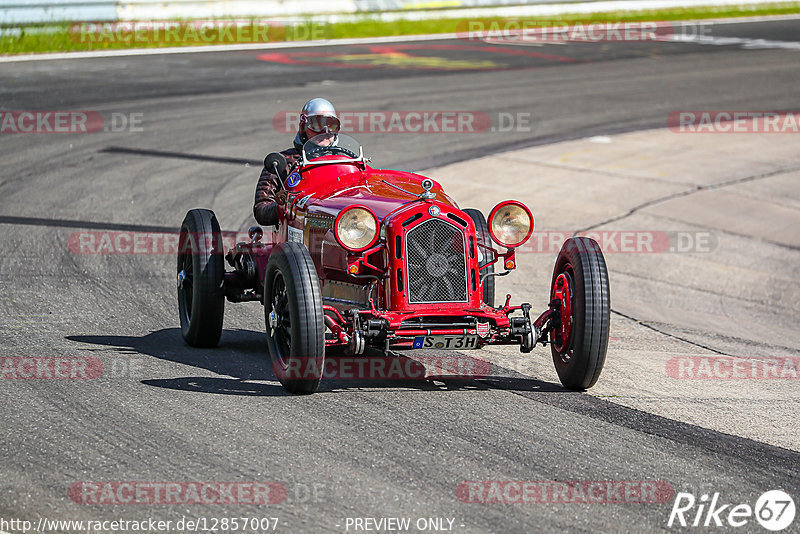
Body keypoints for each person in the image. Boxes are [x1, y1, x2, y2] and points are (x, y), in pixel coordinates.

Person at [253, 98, 341, 226]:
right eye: (318, 125)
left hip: (342, 232)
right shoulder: (281, 162)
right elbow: (261, 210)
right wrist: (283, 205)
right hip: (295, 235)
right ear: (303, 126)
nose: (325, 131)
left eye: (331, 125)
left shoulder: (346, 163)